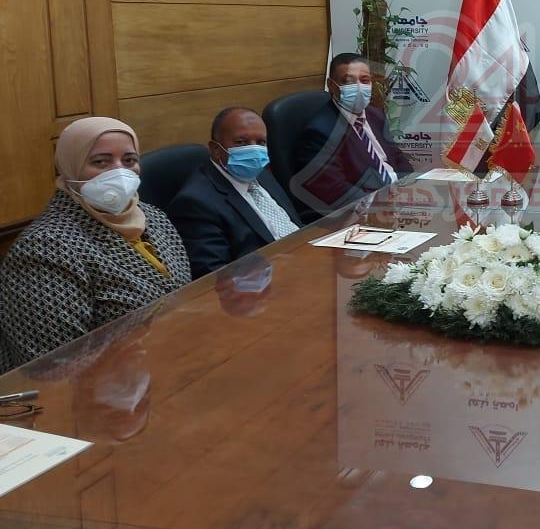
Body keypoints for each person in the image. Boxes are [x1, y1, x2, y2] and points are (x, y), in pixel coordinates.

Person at [0, 117, 191, 369]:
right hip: (107, 386)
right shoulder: (44, 248)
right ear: (69, 167)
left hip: (174, 360)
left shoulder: (152, 216)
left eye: (129, 160)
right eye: (100, 162)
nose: (118, 172)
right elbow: (52, 366)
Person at [168, 107, 300, 279]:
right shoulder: (195, 203)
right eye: (241, 142)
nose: (254, 151)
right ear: (216, 149)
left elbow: (295, 226)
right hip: (267, 284)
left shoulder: (260, 174)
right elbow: (214, 276)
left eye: (261, 142)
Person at [291, 53, 413, 216]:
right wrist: (382, 205)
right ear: (331, 85)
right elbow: (334, 189)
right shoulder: (319, 132)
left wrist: (409, 189)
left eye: (365, 80)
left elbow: (398, 159)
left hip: (399, 201)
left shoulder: (375, 115)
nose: (359, 87)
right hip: (363, 213)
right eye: (348, 81)